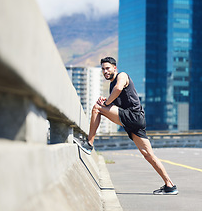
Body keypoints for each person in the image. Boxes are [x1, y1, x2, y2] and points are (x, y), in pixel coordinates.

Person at [75, 56, 178, 195]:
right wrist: (107, 100)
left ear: (114, 68)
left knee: (97, 108)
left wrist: (105, 104)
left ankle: (89, 144)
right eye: (103, 69)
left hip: (133, 116)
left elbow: (118, 88)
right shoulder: (112, 85)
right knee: (148, 155)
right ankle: (170, 185)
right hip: (134, 120)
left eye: (107, 68)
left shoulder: (122, 76)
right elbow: (118, 101)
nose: (105, 71)